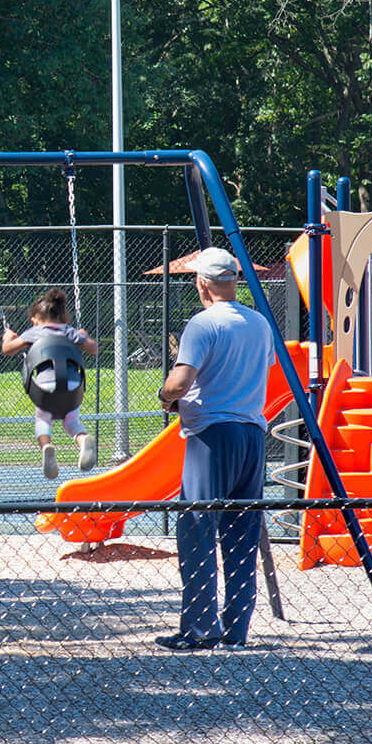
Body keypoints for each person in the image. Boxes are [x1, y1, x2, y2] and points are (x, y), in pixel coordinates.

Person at [154, 247, 278, 651]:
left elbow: (180, 383)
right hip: (253, 434)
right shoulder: (259, 323)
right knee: (242, 533)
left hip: (212, 434)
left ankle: (199, 628)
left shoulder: (203, 324)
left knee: (197, 528)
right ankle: (236, 628)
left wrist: (165, 397)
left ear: (203, 283)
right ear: (235, 281)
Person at [1, 288, 99, 482]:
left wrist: (8, 338)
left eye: (33, 320)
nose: (32, 323)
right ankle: (82, 441)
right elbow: (93, 348)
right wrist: (84, 335)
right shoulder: (70, 332)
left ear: (38, 318)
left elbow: (7, 350)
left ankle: (47, 447)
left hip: (44, 388)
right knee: (71, 422)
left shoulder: (34, 332)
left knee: (42, 421)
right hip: (72, 387)